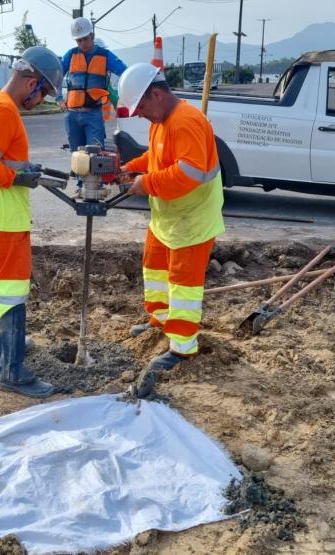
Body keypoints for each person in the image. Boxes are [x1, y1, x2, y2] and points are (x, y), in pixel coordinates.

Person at [0, 46, 63, 398]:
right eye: (45, 93)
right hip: (4, 220)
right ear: (32, 82)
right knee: (13, 292)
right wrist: (16, 176)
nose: (42, 100)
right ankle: (13, 371)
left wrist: (20, 168)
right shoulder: (5, 110)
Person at [117, 63, 225, 371]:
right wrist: (132, 168)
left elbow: (187, 174)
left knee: (183, 284)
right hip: (168, 217)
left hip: (192, 220)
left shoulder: (187, 121)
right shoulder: (162, 121)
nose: (139, 114)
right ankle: (160, 322)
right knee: (154, 268)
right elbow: (157, 156)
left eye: (141, 107)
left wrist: (145, 183)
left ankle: (182, 347)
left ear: (157, 94)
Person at [59, 17, 128, 190]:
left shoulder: (105, 56)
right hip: (72, 114)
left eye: (85, 38)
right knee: (78, 154)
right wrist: (59, 98)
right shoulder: (70, 55)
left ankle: (95, 186)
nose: (82, 43)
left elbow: (125, 72)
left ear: (92, 35)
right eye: (79, 40)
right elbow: (55, 76)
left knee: (96, 153)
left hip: (93, 114)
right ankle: (82, 186)